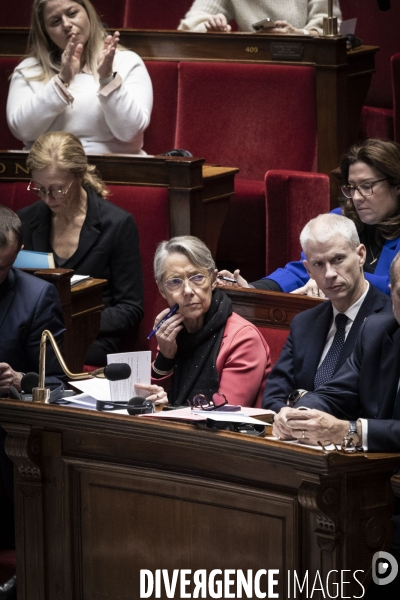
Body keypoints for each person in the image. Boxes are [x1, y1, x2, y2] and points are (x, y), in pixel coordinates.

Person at [273, 250, 400, 598]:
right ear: (393, 293)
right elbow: (334, 391)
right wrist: (299, 415)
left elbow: (355, 427)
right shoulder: (379, 330)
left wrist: (352, 431)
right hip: (377, 488)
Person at [18, 131, 144, 366]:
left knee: (48, 358)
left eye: (58, 189)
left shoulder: (116, 224)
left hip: (93, 337)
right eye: (39, 188)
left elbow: (130, 308)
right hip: (37, 334)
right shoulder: (26, 220)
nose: (48, 198)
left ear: (78, 176)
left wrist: (70, 320)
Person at [218, 139, 400, 297]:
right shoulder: (340, 221)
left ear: (396, 185)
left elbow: (393, 288)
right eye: (352, 187)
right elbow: (302, 272)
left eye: (367, 186)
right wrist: (252, 289)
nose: (357, 197)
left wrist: (329, 281)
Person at [0, 205, 66, 600]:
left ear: (17, 253)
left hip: (7, 429)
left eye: (1, 268)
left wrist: (16, 382)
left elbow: (54, 382)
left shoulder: (37, 296)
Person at [263, 214, 392, 413]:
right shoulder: (304, 323)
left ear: (360, 255)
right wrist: (292, 418)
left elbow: (374, 406)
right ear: (308, 270)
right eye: (319, 264)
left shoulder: (390, 320)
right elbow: (273, 397)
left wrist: (300, 402)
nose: (330, 274)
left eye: (338, 259)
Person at [6, 0, 153, 154]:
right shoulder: (29, 70)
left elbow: (130, 132)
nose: (66, 24)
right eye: (55, 21)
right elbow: (22, 131)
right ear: (45, 32)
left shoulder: (127, 61)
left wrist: (107, 79)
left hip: (115, 167)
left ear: (88, 14)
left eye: (72, 13)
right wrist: (62, 80)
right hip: (47, 169)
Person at [150, 236, 271, 407]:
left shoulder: (244, 339)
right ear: (162, 289)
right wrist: (165, 356)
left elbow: (225, 416)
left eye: (197, 277)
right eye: (175, 282)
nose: (187, 291)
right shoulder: (172, 331)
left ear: (213, 280)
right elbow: (152, 403)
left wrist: (169, 408)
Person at [178, 0, 341, 34]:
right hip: (254, 66)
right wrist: (211, 27)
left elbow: (330, 27)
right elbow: (189, 25)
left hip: (309, 68)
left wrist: (300, 35)